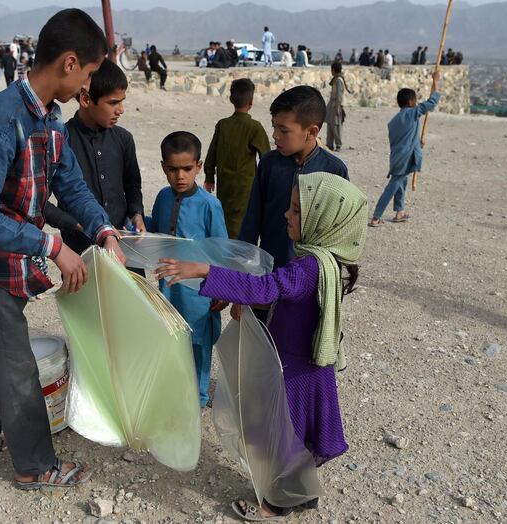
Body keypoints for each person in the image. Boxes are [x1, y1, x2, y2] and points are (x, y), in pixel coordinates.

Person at [0, 8, 125, 491]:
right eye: (87, 73)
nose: (87, 86)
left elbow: (70, 183)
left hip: (10, 255)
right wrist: (52, 244)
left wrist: (104, 229)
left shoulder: (50, 118)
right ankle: (35, 466)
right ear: (69, 63)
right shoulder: (0, 118)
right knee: (17, 364)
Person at [155, 172, 367, 520]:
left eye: (297, 210)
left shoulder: (309, 267)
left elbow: (268, 289)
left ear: (324, 220)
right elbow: (281, 295)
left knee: (284, 435)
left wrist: (206, 270)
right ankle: (302, 494)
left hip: (294, 370)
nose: (287, 214)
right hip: (306, 366)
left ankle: (277, 503)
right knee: (295, 434)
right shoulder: (324, 260)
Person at [238, 85, 349, 324]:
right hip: (269, 278)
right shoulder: (268, 165)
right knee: (265, 347)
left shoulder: (334, 170)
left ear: (312, 131)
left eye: (284, 130)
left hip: (311, 283)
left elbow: (340, 234)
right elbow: (251, 223)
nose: (275, 136)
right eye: (274, 127)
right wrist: (242, 285)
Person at [147, 131, 228, 407]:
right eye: (173, 169)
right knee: (171, 337)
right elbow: (158, 229)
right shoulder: (162, 197)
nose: (180, 176)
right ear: (163, 168)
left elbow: (221, 248)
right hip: (168, 286)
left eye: (187, 169)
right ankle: (177, 388)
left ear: (199, 166)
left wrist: (223, 287)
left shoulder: (210, 205)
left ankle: (199, 396)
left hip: (199, 292)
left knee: (198, 342)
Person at [43, 59, 146, 259]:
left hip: (124, 247)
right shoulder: (60, 140)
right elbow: (39, 200)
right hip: (80, 250)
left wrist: (137, 213)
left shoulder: (124, 139)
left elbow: (133, 185)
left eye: (122, 101)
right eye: (113, 102)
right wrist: (71, 224)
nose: (121, 109)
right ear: (86, 99)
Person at [369, 71, 441, 227]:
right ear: (410, 102)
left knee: (402, 182)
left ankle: (399, 212)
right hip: (403, 158)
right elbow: (432, 103)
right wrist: (436, 82)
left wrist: (417, 141)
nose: (416, 103)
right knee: (394, 185)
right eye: (415, 100)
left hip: (398, 157)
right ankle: (376, 216)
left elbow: (404, 138)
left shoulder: (395, 120)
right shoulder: (412, 113)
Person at [203, 79, 271, 239]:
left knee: (225, 218)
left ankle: (226, 252)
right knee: (244, 222)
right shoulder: (255, 127)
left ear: (231, 99)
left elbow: (211, 152)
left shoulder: (223, 125)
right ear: (251, 101)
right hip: (247, 186)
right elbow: (267, 157)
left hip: (225, 184)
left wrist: (209, 176)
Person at [325, 62, 349, 152]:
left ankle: (338, 144)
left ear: (333, 70)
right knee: (330, 124)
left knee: (336, 126)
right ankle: (329, 144)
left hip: (336, 106)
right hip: (332, 105)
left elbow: (339, 95)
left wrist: (338, 107)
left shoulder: (338, 80)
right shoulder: (336, 79)